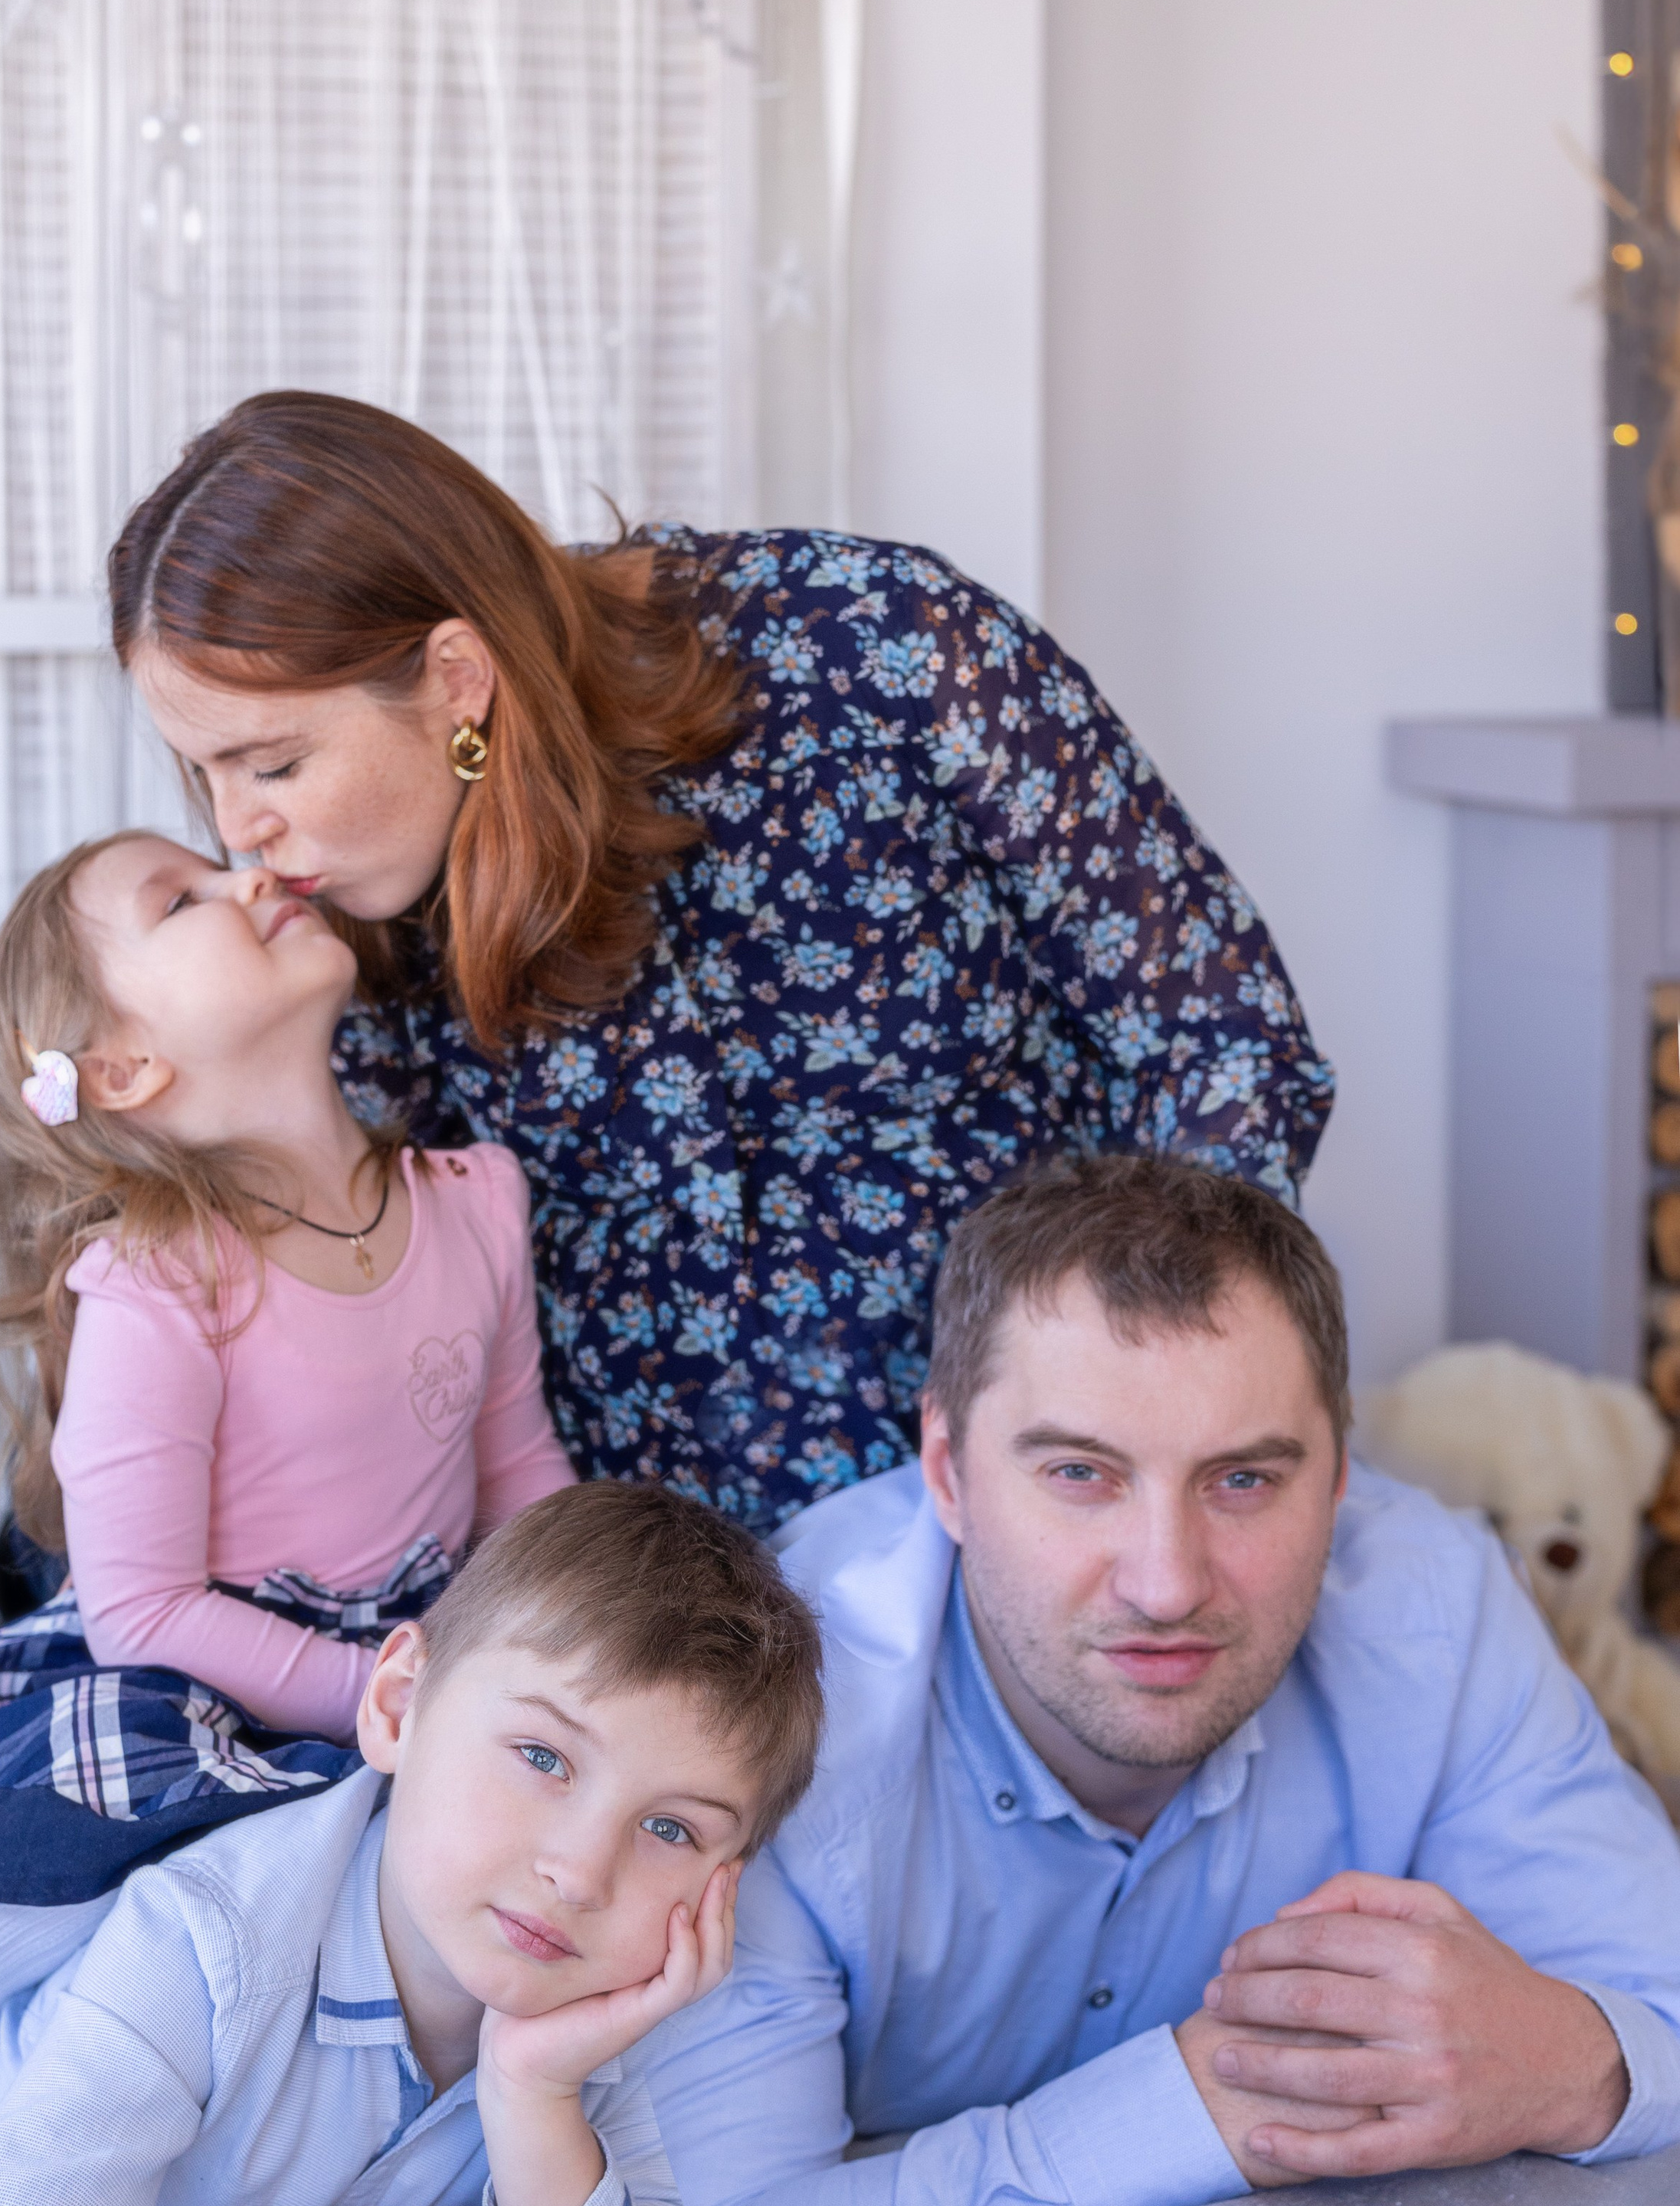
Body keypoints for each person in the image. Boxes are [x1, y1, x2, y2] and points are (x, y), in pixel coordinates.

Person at [110, 391, 1336, 1530]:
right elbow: (360, 1275)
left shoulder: (881, 648)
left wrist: (1138, 1428)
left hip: (1022, 1517)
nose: (236, 833)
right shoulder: (335, 916)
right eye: (203, 771)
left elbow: (1216, 1034)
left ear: (455, 680)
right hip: (643, 1609)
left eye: (272, 766)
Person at [637, 1157, 1680, 2206]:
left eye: (1242, 1481)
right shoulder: (772, 1707)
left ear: (1338, 1479)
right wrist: (1190, 2109)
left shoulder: (1434, 1610)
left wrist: (1573, 2060)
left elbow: (1663, 2008)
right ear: (947, 1474)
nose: (1167, 1585)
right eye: (1080, 1474)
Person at [0, 824, 575, 2206]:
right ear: (123, 1068)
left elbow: (521, 1476)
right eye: (184, 895)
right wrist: (382, 1697)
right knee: (96, 1832)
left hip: (400, 1664)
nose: (257, 869)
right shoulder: (159, 1277)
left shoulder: (472, 1204)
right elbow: (141, 1611)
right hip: (188, 1667)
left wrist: (559, 1656)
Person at [0, 1484, 823, 2206]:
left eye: (669, 1828)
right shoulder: (200, 1946)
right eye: (542, 1756)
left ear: (725, 1885)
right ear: (396, 1708)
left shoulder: (586, 2029)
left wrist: (533, 2096)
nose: (582, 1875)